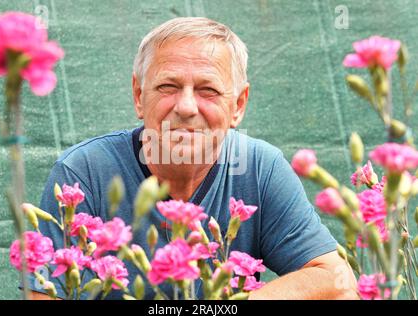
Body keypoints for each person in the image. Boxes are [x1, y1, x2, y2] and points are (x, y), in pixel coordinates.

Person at [29, 17, 358, 300]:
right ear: (139, 96)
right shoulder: (84, 172)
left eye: (208, 90)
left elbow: (338, 281)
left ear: (239, 105)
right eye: (168, 86)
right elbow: (43, 292)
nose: (186, 107)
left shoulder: (260, 168)